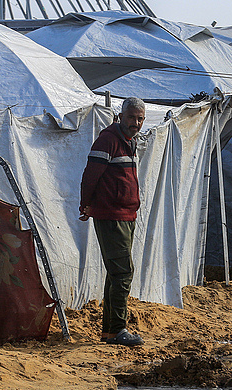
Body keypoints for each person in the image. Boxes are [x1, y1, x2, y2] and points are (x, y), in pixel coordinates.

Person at [80, 97, 146, 346]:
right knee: (123, 272)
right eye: (132, 118)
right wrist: (85, 204)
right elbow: (90, 175)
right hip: (111, 215)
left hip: (126, 215)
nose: (136, 123)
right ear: (121, 116)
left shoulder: (130, 142)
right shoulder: (108, 140)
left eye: (140, 119)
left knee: (116, 273)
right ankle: (118, 329)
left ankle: (110, 332)